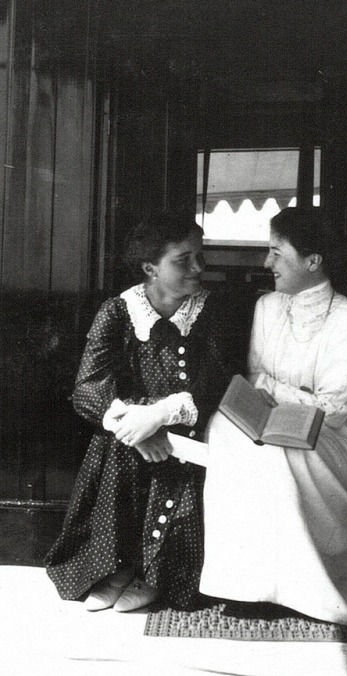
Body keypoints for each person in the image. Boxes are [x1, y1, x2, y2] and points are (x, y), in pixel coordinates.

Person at [199, 207, 347, 625]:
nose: (267, 263)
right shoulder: (267, 307)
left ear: (313, 261)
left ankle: (295, 588)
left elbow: (336, 411)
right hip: (271, 422)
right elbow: (255, 379)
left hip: (331, 440)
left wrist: (274, 390)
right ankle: (242, 583)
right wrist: (279, 393)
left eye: (276, 253)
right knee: (224, 432)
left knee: (272, 453)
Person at [46, 211, 238, 612]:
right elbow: (87, 388)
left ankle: (155, 575)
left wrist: (162, 415)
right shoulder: (118, 312)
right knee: (121, 449)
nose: (198, 268)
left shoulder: (212, 312)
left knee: (179, 467)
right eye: (183, 260)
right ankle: (117, 567)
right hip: (132, 433)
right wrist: (137, 424)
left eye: (199, 256)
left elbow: (216, 383)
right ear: (150, 268)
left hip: (192, 430)